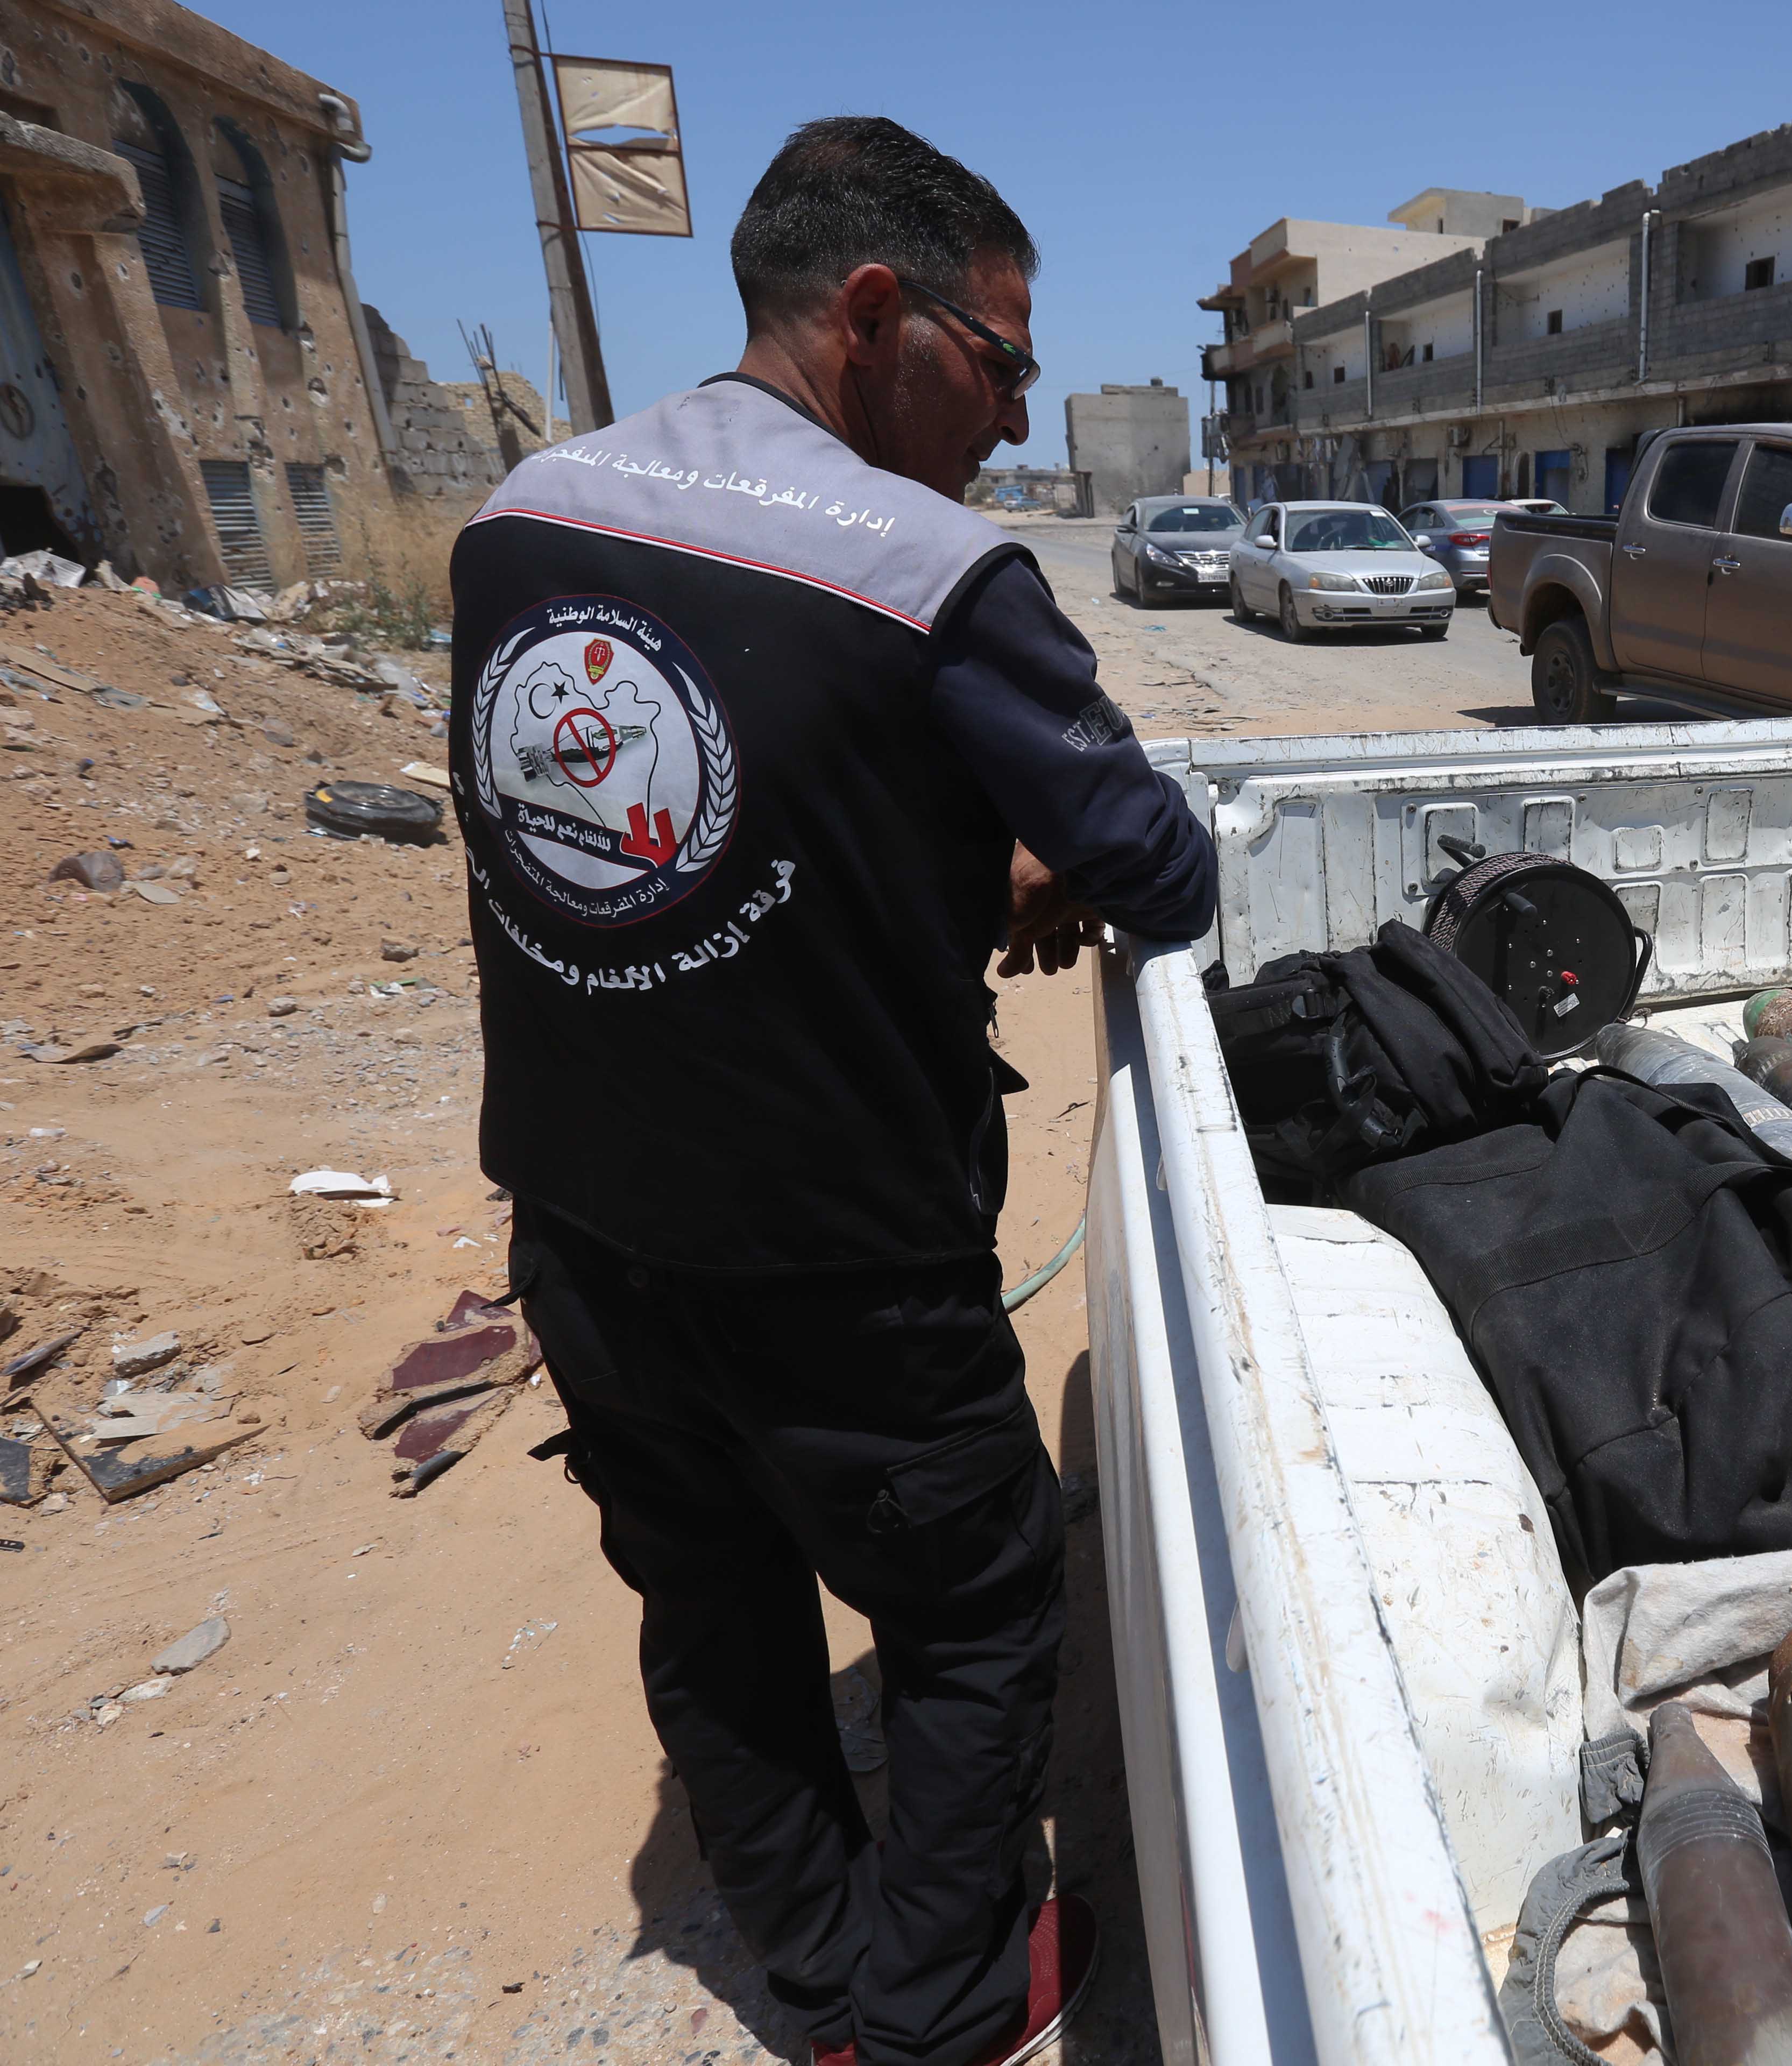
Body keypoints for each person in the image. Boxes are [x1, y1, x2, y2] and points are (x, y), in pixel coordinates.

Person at [449, 118, 1217, 2066]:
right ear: (878, 316)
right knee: (969, 1616)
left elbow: (679, 832)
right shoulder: (929, 569)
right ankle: (939, 2015)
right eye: (1006, 360)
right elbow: (1161, 865)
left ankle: (820, 1987)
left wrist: (953, 863)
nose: (1013, 408)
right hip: (840, 1266)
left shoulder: (521, 518)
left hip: (580, 1227)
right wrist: (1024, 859)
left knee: (712, 1611)